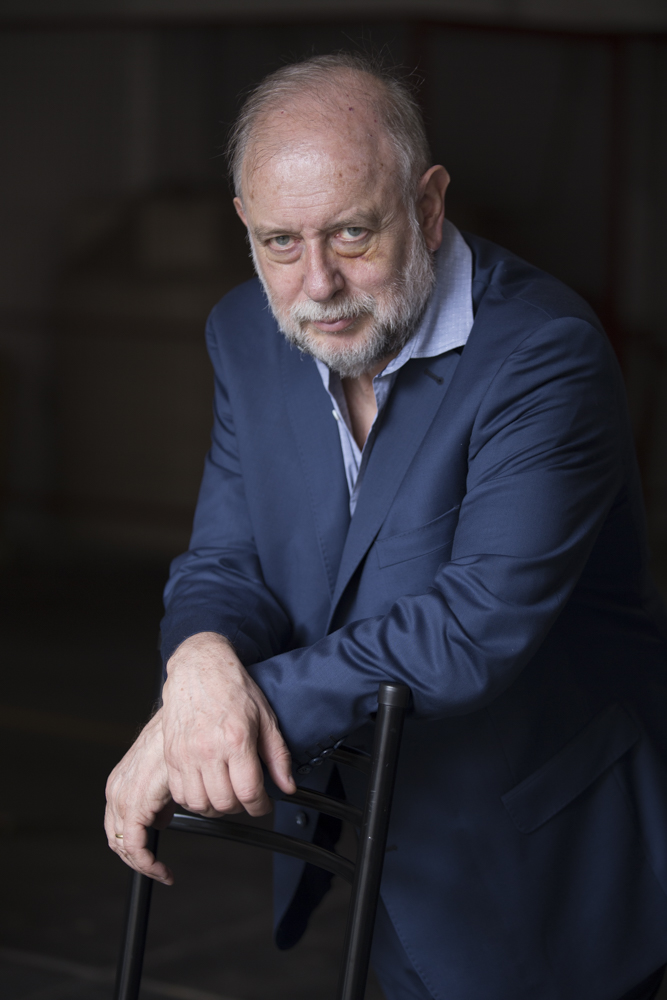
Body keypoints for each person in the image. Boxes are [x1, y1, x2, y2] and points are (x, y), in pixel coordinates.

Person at [105, 53, 667, 1000]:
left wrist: (231, 713)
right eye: (279, 242)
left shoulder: (543, 356)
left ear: (428, 205)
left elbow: (470, 625)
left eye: (352, 233)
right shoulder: (247, 332)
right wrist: (198, 671)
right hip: (375, 842)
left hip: (543, 861)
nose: (317, 283)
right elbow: (230, 559)